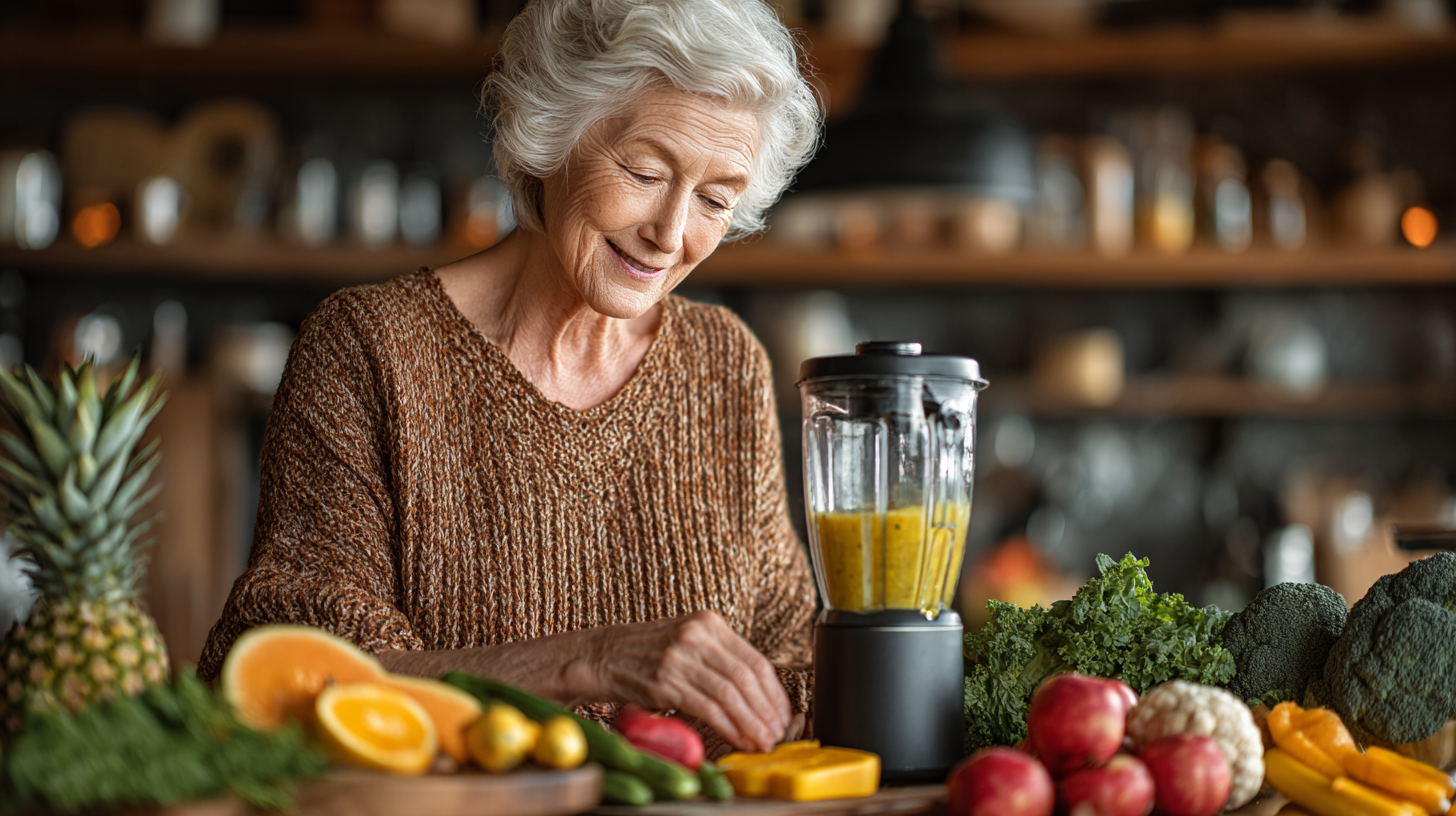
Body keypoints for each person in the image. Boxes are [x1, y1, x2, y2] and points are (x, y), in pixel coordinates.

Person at [197, 0, 823, 754]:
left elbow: (793, 654)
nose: (671, 232)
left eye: (716, 200)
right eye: (644, 171)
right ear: (551, 132)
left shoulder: (725, 363)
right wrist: (588, 662)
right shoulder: (370, 350)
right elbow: (304, 679)